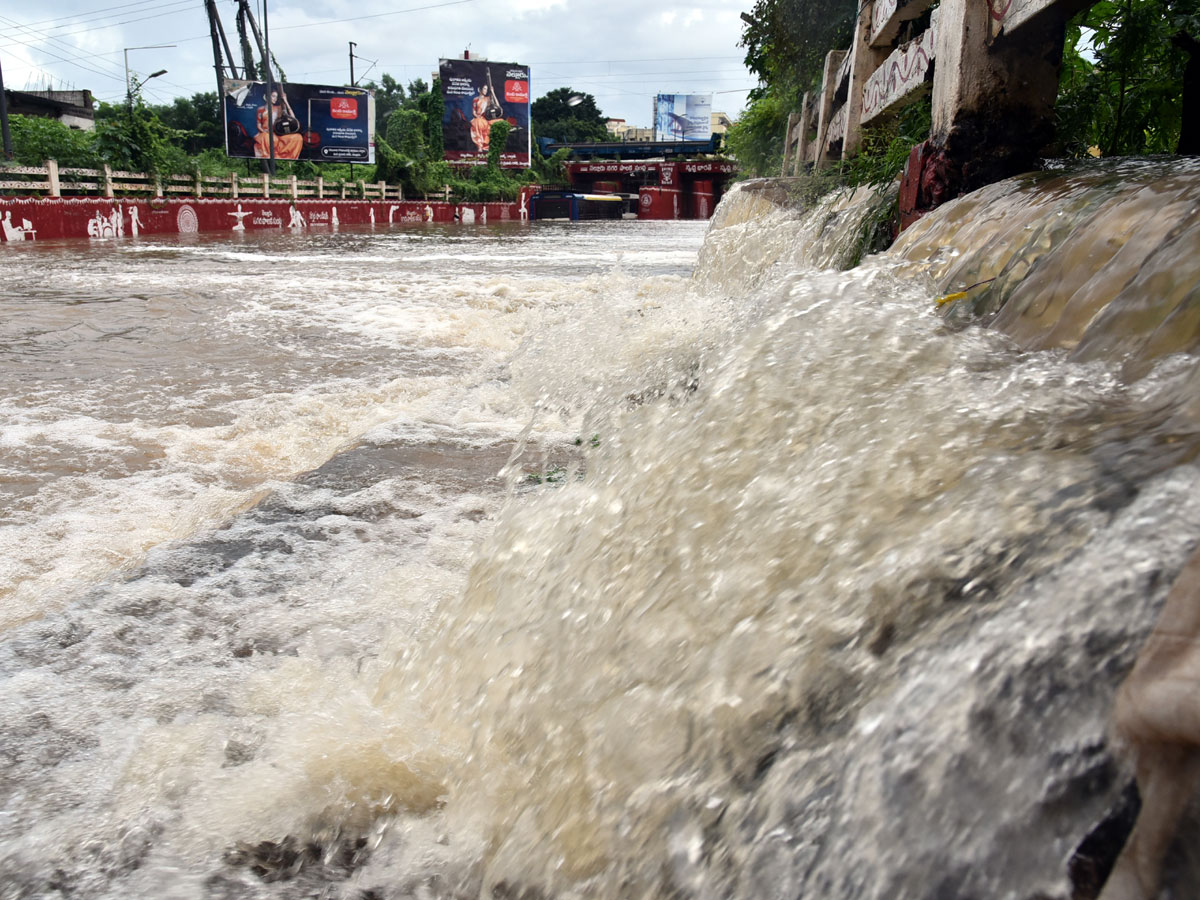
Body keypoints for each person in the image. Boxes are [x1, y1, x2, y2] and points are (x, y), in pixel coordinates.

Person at [254, 88, 303, 160]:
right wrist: (265, 132)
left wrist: (286, 101)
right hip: (266, 134)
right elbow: (258, 125)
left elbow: (293, 119)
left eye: (276, 97)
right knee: (267, 138)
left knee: (298, 137)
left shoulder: (279, 108)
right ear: (267, 97)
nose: (275, 98)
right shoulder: (260, 109)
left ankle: (287, 159)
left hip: (278, 134)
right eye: (273, 96)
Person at [470, 85, 495, 153]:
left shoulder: (488, 99)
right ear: (479, 89)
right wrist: (477, 116)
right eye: (484, 88)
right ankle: (480, 146)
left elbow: (496, 104)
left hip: (486, 119)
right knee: (477, 122)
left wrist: (492, 92)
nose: (485, 90)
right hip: (478, 118)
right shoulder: (475, 99)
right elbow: (474, 112)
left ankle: (486, 146)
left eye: (486, 89)